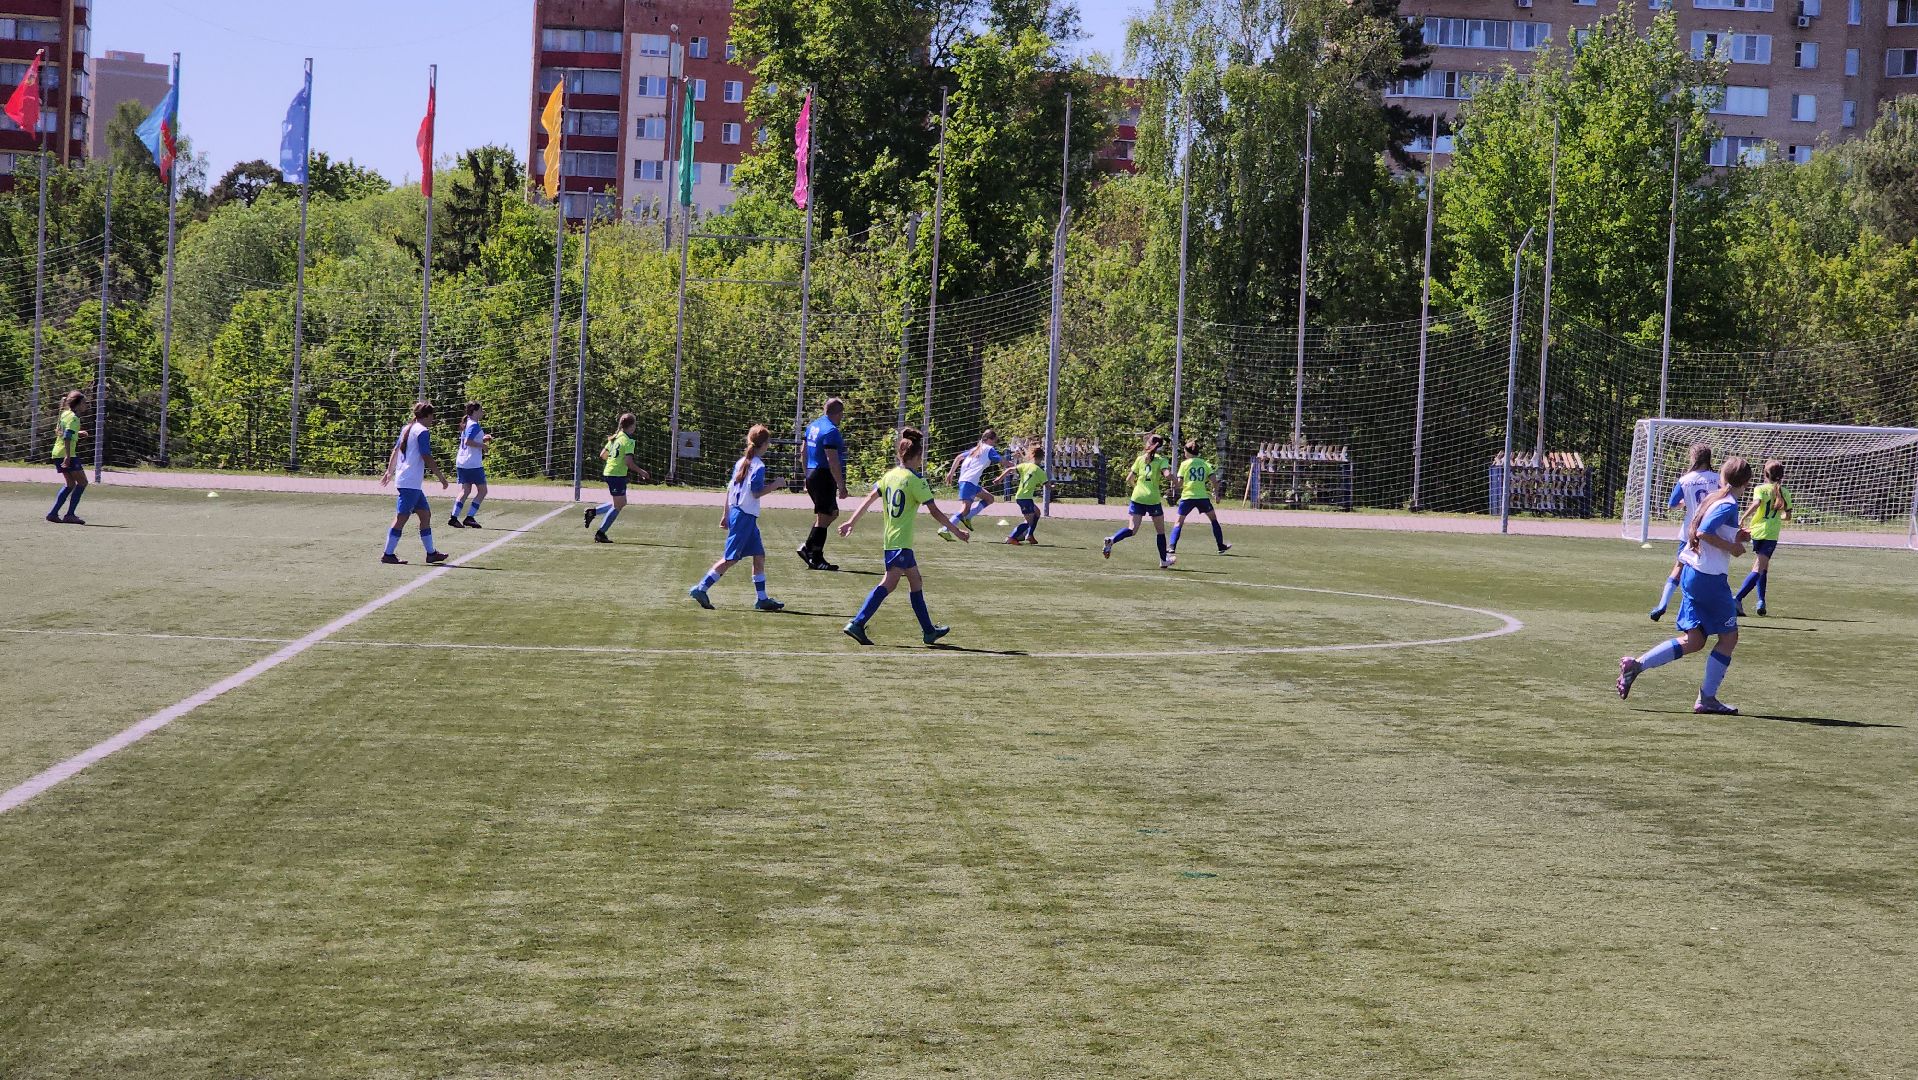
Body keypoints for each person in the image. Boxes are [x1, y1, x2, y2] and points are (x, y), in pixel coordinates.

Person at [1618, 456, 1754, 716]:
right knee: (1729, 638)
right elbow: (1704, 532)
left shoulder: (1714, 498)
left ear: (1722, 476)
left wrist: (1737, 536)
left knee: (1695, 640)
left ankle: (1636, 665)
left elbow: (1704, 528)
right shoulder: (1728, 504)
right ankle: (1707, 699)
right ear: (1747, 482)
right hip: (1709, 579)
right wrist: (1733, 547)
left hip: (1693, 573)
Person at [838, 427, 968, 646]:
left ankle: (929, 631)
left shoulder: (890, 476)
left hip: (892, 540)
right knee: (889, 583)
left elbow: (869, 499)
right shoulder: (916, 480)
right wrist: (956, 531)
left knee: (916, 581)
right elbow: (935, 511)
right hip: (901, 542)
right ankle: (857, 623)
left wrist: (851, 521)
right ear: (917, 457)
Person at [690, 424, 786, 612]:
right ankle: (701, 588)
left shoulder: (741, 462)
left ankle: (762, 599)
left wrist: (726, 514)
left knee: (759, 555)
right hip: (744, 517)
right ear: (764, 444)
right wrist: (776, 484)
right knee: (730, 558)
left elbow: (730, 490)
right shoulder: (758, 465)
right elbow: (756, 492)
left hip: (740, 513)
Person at [1649, 443, 1720, 621]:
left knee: (1679, 568)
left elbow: (1672, 504)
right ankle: (1712, 609)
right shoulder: (1717, 478)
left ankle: (1662, 604)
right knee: (1712, 570)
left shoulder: (1685, 480)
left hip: (1689, 531)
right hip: (1711, 531)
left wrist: (1685, 504)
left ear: (1693, 458)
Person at [377, 401, 451, 565]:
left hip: (410, 482)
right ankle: (388, 554)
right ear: (427, 415)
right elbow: (426, 456)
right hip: (409, 482)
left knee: (425, 514)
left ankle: (431, 553)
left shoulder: (407, 428)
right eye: (432, 416)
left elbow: (396, 450)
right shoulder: (422, 431)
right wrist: (441, 477)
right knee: (401, 518)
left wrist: (390, 471)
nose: (433, 419)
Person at [1101, 433, 1176, 569]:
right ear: (1160, 447)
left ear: (1148, 444)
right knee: (1160, 532)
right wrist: (1175, 480)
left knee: (1132, 529)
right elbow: (1167, 475)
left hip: (1137, 497)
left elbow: (1129, 479)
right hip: (1152, 499)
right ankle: (1163, 560)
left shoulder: (1140, 459)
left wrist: (1136, 487)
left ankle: (1112, 539)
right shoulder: (1161, 460)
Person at [1736, 459, 1793, 617]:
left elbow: (1756, 504)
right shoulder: (1785, 492)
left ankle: (1761, 601)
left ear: (1765, 474)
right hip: (1770, 534)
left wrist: (1743, 518)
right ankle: (1737, 599)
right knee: (1758, 568)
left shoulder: (1760, 488)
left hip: (1757, 532)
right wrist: (1776, 517)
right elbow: (1788, 516)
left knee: (1763, 567)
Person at [798, 398, 849, 570]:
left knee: (830, 514)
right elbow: (832, 460)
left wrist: (806, 475)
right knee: (826, 516)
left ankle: (809, 549)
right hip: (823, 475)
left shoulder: (813, 426)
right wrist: (841, 485)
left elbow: (803, 452)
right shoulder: (831, 431)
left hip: (813, 473)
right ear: (839, 413)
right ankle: (814, 556)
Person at [585, 412, 650, 543]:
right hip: (616, 475)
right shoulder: (628, 441)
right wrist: (641, 472)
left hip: (610, 472)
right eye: (635, 424)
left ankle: (593, 512)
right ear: (631, 426)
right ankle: (600, 533)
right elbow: (628, 462)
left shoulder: (615, 437)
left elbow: (603, 455)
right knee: (618, 505)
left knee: (621, 502)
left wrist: (614, 461)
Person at [937, 428, 1003, 541]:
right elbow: (1002, 461)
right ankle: (945, 529)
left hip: (969, 482)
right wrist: (1012, 466)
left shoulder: (975, 449)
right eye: (995, 441)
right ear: (990, 440)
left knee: (989, 498)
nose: (995, 444)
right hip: (969, 482)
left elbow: (959, 457)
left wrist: (951, 473)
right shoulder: (988, 449)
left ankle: (968, 516)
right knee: (964, 509)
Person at [1168, 439, 1231, 557]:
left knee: (1178, 522)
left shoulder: (1184, 464)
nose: (1184, 453)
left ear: (1188, 452)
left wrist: (1173, 485)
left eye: (1184, 451)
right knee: (1213, 520)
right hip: (1202, 497)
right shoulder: (1205, 464)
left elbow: (1179, 483)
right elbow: (1214, 481)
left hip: (1187, 497)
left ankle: (1172, 547)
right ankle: (1220, 546)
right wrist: (1216, 494)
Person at [46, 390, 89, 525]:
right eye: (84, 402)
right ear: (78, 404)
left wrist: (78, 433)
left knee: (70, 484)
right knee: (82, 482)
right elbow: (67, 436)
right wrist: (68, 457)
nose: (86, 405)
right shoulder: (74, 418)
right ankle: (70, 515)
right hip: (66, 453)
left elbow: (60, 431)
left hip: (57, 453)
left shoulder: (65, 414)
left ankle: (53, 514)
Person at [448, 401, 493, 529]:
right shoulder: (474, 425)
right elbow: (468, 441)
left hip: (462, 462)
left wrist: (483, 439)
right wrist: (483, 445)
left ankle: (454, 518)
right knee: (482, 491)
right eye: (481, 410)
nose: (483, 412)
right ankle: (470, 517)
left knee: (466, 490)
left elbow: (469, 440)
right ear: (475, 411)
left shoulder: (467, 423)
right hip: (472, 463)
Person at [1003, 444, 1049, 544]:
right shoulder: (1038, 470)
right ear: (1041, 458)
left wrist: (999, 478)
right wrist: (1053, 486)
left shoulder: (1025, 465)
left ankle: (1029, 535)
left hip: (1021, 496)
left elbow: (1009, 469)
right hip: (1025, 498)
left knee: (1037, 512)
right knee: (1029, 521)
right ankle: (1011, 537)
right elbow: (1047, 486)